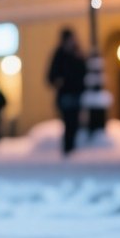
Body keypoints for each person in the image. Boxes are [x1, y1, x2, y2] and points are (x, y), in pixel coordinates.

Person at [47, 28, 88, 157]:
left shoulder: (77, 53)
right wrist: (60, 81)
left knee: (74, 123)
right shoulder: (60, 55)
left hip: (76, 95)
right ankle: (68, 151)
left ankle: (71, 151)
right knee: (68, 123)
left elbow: (83, 72)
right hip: (65, 96)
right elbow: (51, 76)